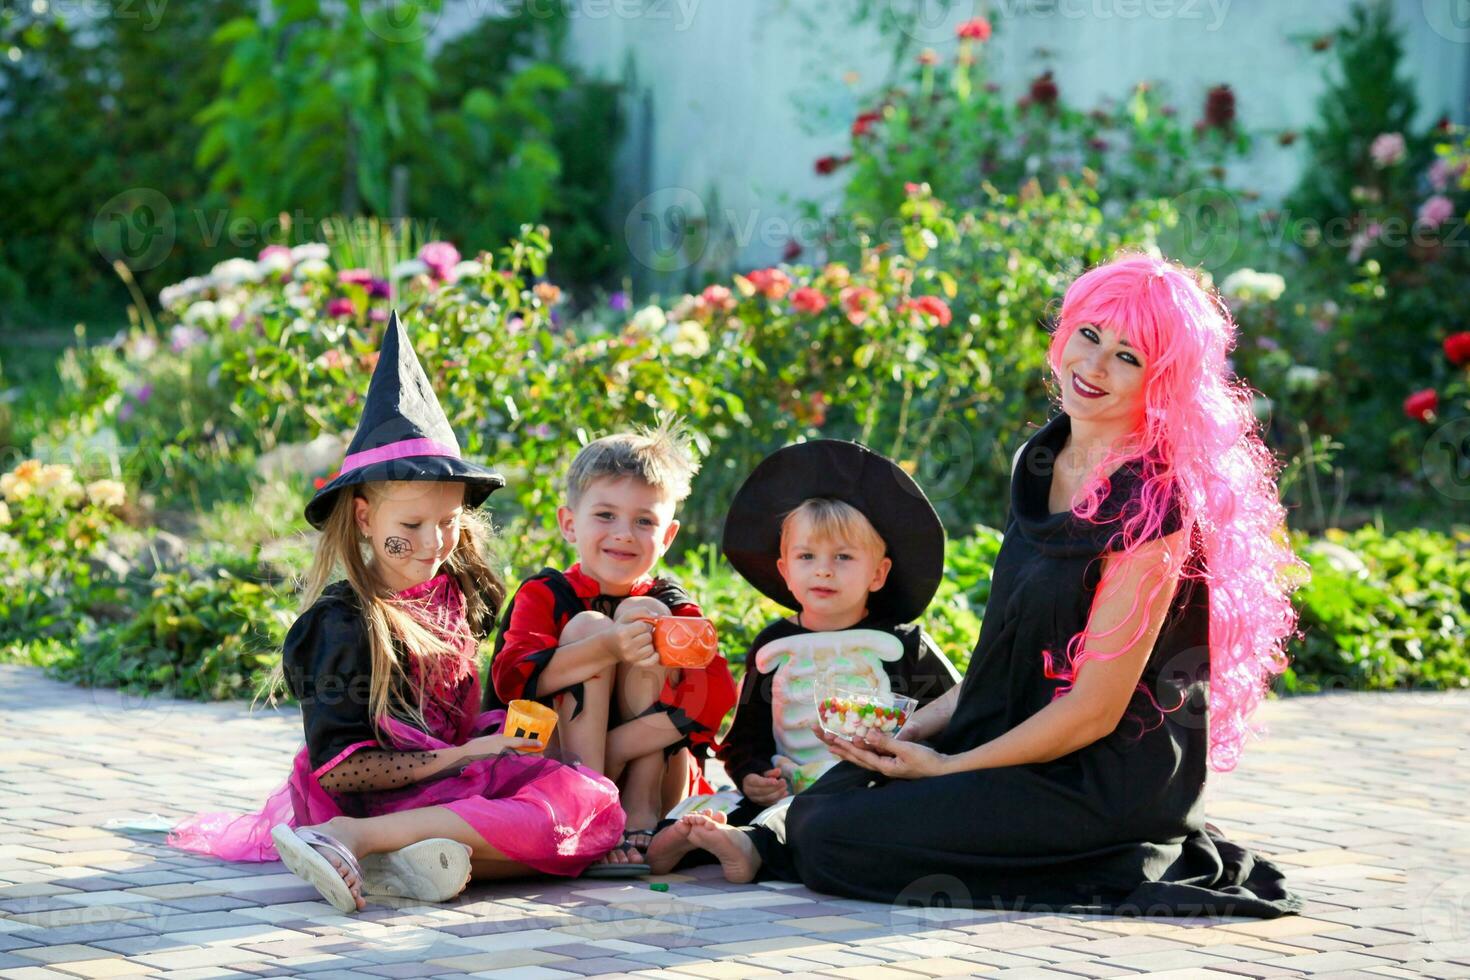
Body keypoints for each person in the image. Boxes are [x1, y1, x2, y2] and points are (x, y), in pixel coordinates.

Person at [655, 255, 1308, 918]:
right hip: (1022, 734)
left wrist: (946, 768)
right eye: (1088, 336)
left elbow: (1093, 711)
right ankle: (771, 844)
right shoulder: (1040, 459)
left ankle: (1114, 852)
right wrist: (912, 732)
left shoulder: (1152, 504)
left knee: (836, 829)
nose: (1095, 367)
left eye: (1128, 357)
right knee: (840, 788)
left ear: (1161, 381)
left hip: (1100, 779)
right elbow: (1006, 659)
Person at [168, 312, 625, 912]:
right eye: (410, 525)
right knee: (548, 827)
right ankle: (351, 839)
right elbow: (340, 772)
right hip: (376, 798)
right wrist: (463, 756)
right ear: (363, 518)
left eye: (447, 521)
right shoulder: (344, 623)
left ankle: (403, 861)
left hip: (462, 778)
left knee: (592, 808)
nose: (434, 541)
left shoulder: (462, 588)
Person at [648, 441, 959, 865]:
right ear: (785, 570)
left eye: (843, 557)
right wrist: (752, 773)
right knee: (736, 807)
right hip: (789, 785)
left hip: (869, 787)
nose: (824, 569)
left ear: (879, 573)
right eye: (807, 556)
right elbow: (745, 737)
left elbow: (955, 711)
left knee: (823, 820)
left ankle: (747, 850)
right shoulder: (774, 647)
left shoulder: (904, 646)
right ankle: (682, 839)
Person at [488, 420, 738, 874]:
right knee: (588, 624)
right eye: (605, 515)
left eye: (644, 521)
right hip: (557, 769)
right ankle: (594, 805)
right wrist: (606, 645)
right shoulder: (545, 594)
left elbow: (714, 698)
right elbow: (510, 682)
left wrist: (620, 745)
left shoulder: (674, 606)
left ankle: (640, 810)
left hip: (652, 777)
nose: (624, 533)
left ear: (667, 537)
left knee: (650, 618)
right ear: (569, 523)